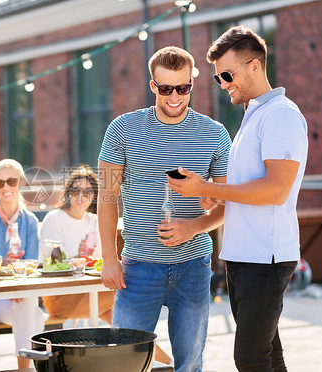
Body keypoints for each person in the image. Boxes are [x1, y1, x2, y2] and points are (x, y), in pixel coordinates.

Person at [167, 26, 308, 372]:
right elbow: (245, 194)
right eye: (218, 78)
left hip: (267, 258)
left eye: (227, 74)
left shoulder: (281, 115)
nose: (224, 83)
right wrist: (208, 208)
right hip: (243, 258)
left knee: (249, 358)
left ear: (255, 66)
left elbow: (276, 189)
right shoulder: (253, 115)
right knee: (267, 357)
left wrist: (208, 189)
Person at [98, 46, 232, 372]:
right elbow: (106, 196)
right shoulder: (121, 129)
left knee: (189, 364)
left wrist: (194, 227)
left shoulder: (215, 134)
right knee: (124, 362)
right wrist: (109, 259)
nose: (174, 96)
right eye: (165, 88)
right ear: (152, 86)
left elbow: (230, 202)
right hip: (137, 267)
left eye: (182, 87)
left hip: (194, 267)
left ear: (192, 84)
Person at [39, 164, 174, 366]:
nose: (81, 195)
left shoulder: (93, 220)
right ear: (68, 192)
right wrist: (79, 257)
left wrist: (88, 259)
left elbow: (100, 259)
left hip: (90, 292)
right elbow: (50, 262)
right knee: (124, 299)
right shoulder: (54, 219)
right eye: (75, 190)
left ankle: (160, 363)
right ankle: (164, 363)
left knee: (121, 322)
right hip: (60, 296)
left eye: (87, 191)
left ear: (94, 195)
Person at [0, 158, 45, 369]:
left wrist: (16, 279)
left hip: (21, 295)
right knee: (33, 311)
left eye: (11, 181)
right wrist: (8, 268)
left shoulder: (30, 220)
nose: (5, 187)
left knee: (31, 307)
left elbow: (31, 263)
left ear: (21, 182)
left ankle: (26, 369)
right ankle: (28, 369)